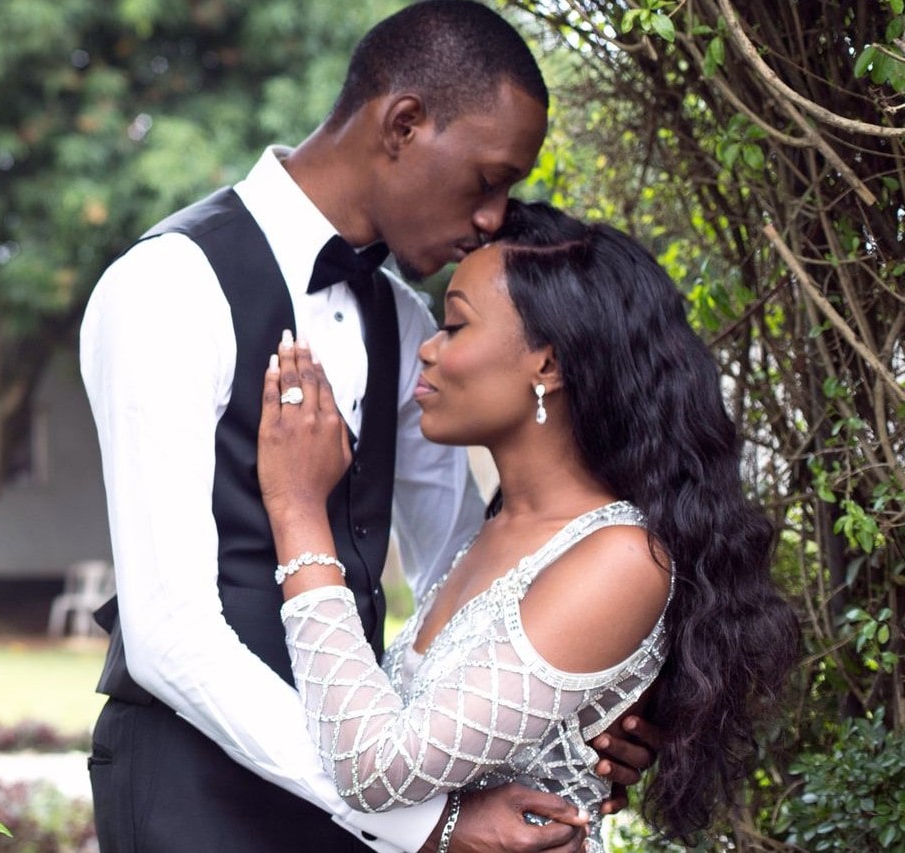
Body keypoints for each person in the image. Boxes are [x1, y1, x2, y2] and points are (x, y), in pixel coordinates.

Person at [80, 3, 656, 851]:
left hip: (360, 794)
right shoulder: (168, 287)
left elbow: (465, 584)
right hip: (195, 793)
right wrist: (423, 819)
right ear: (404, 125)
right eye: (488, 178)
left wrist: (578, 708)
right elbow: (168, 636)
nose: (495, 216)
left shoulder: (411, 325)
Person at [256, 200, 800, 852]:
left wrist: (297, 511)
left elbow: (377, 768)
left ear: (548, 363)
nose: (428, 350)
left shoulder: (619, 558)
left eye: (455, 325)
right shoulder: (491, 536)